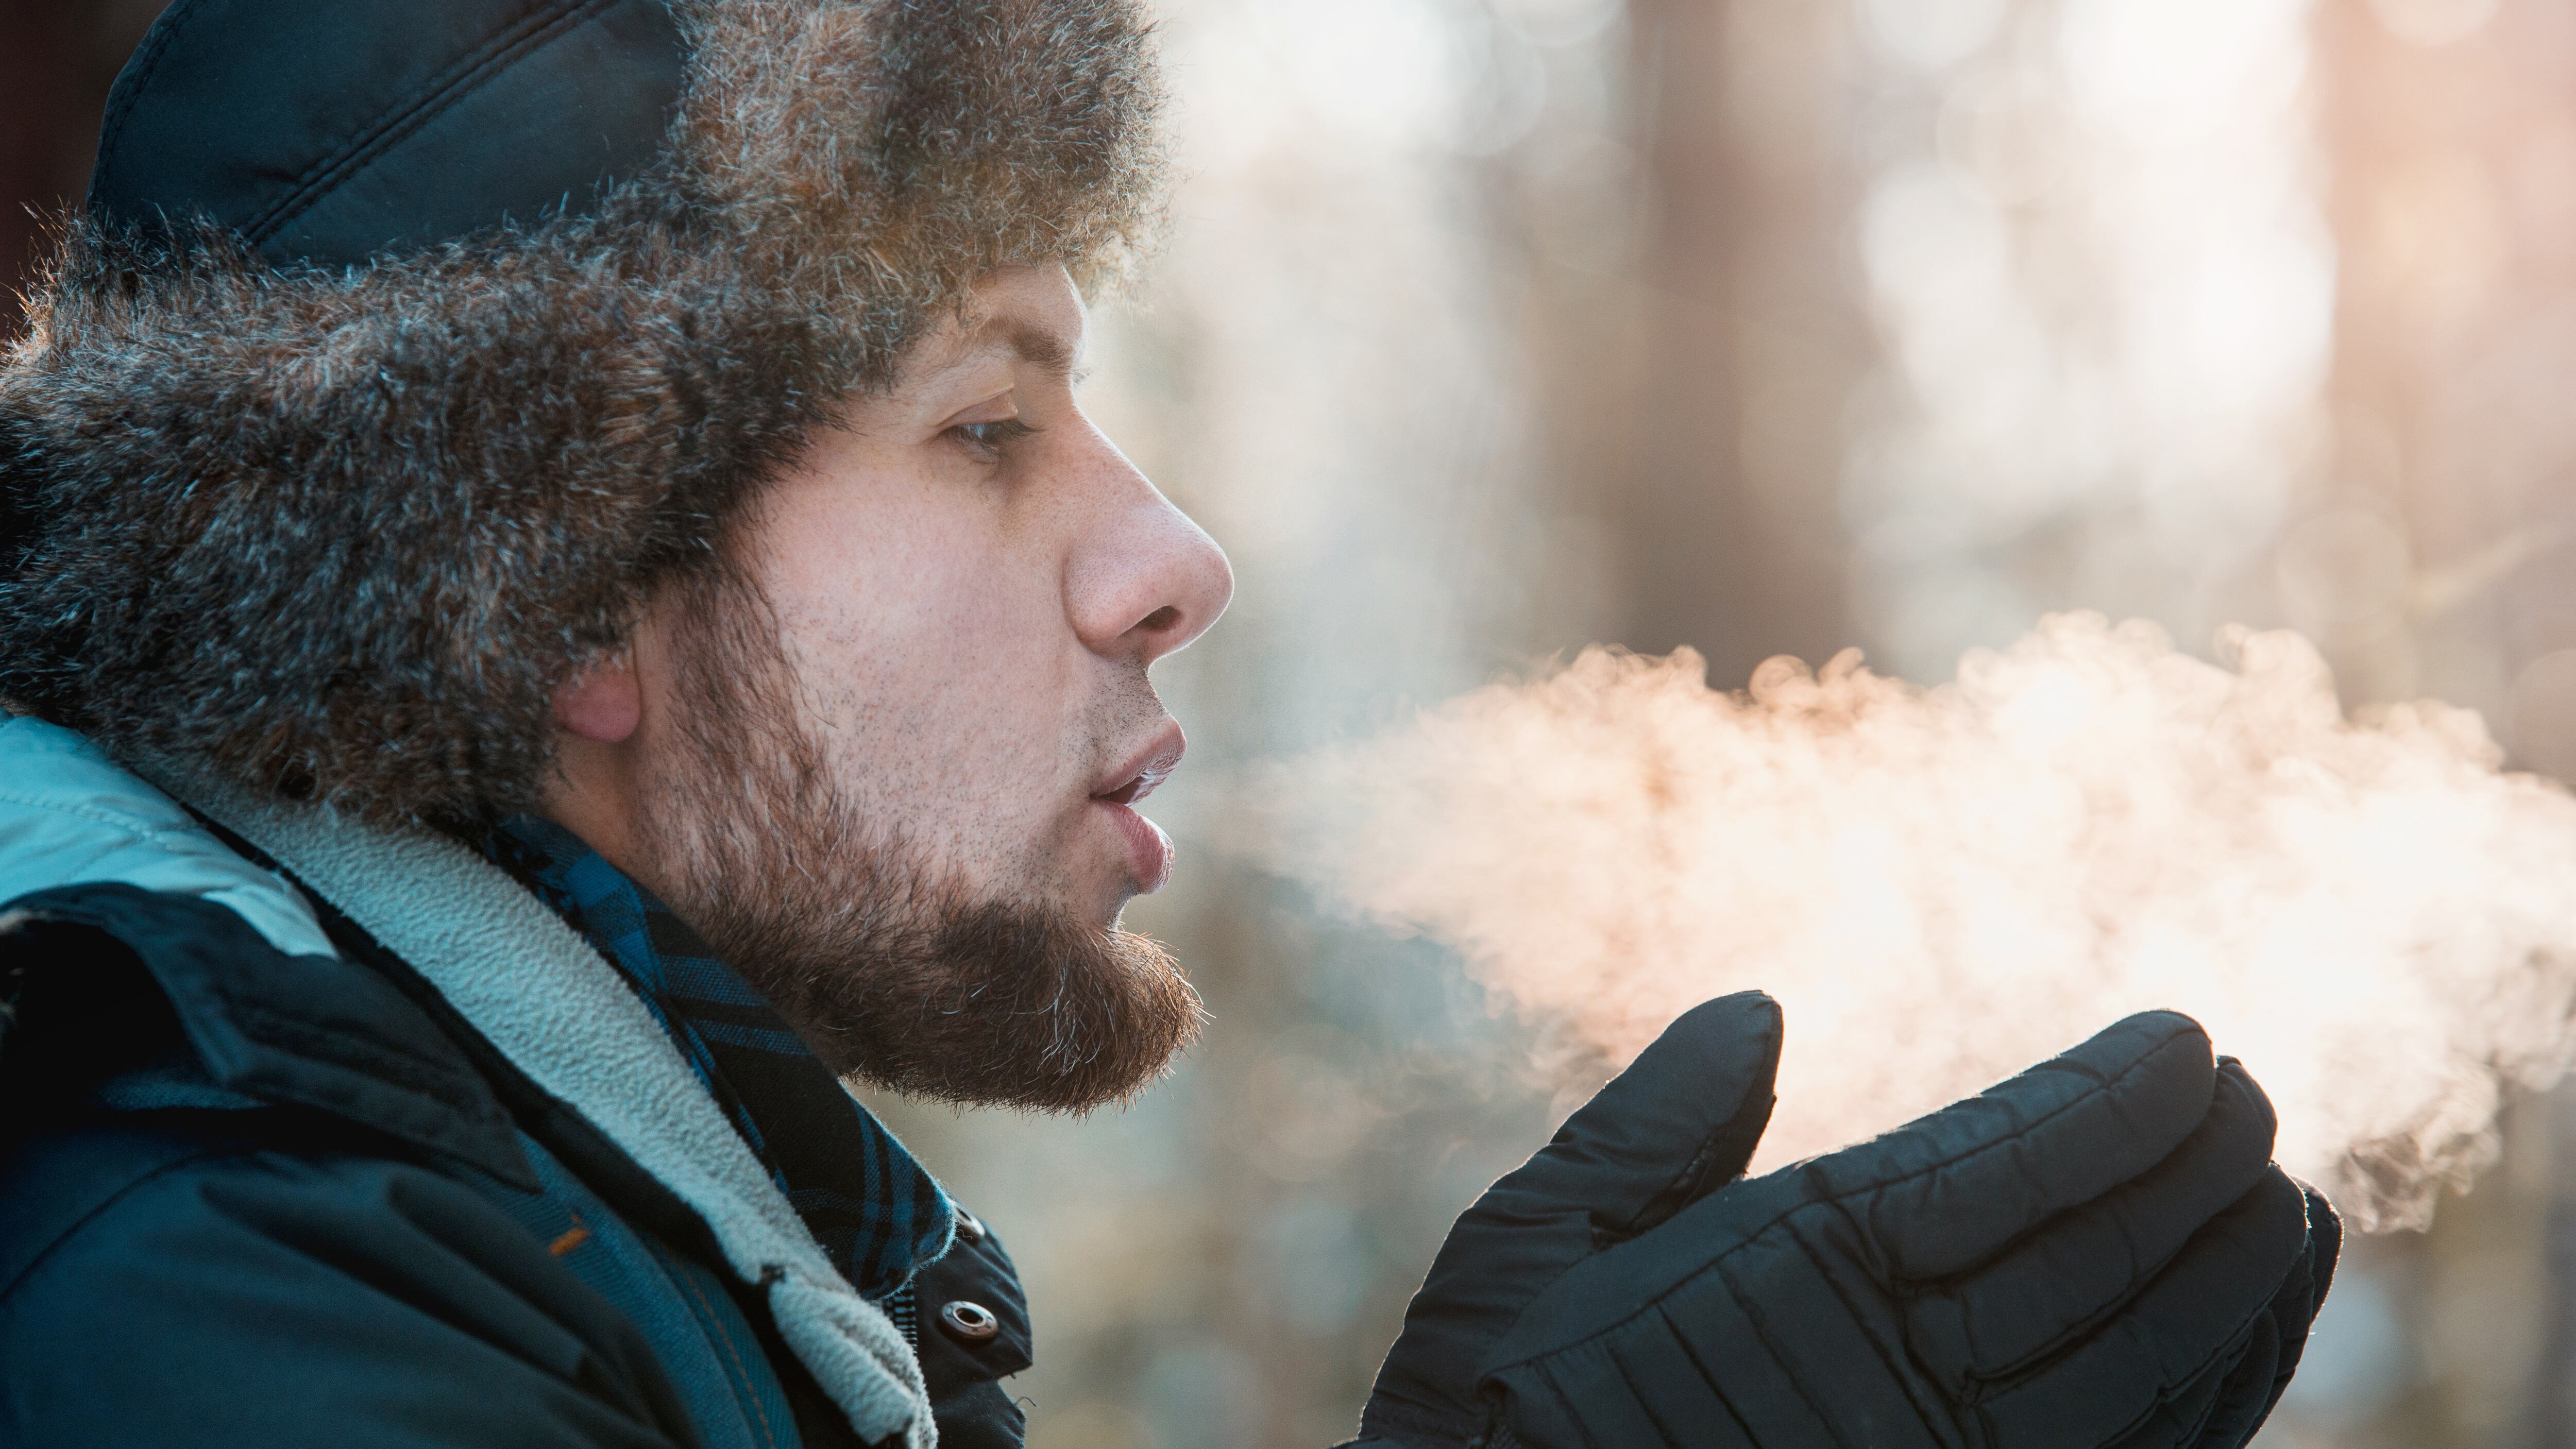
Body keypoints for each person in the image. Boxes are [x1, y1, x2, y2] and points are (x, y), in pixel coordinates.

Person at [0, 2, 2336, 1446]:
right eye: (985, 430)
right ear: (556, 585)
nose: (1170, 558)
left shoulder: (567, 1195)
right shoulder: (219, 1276)